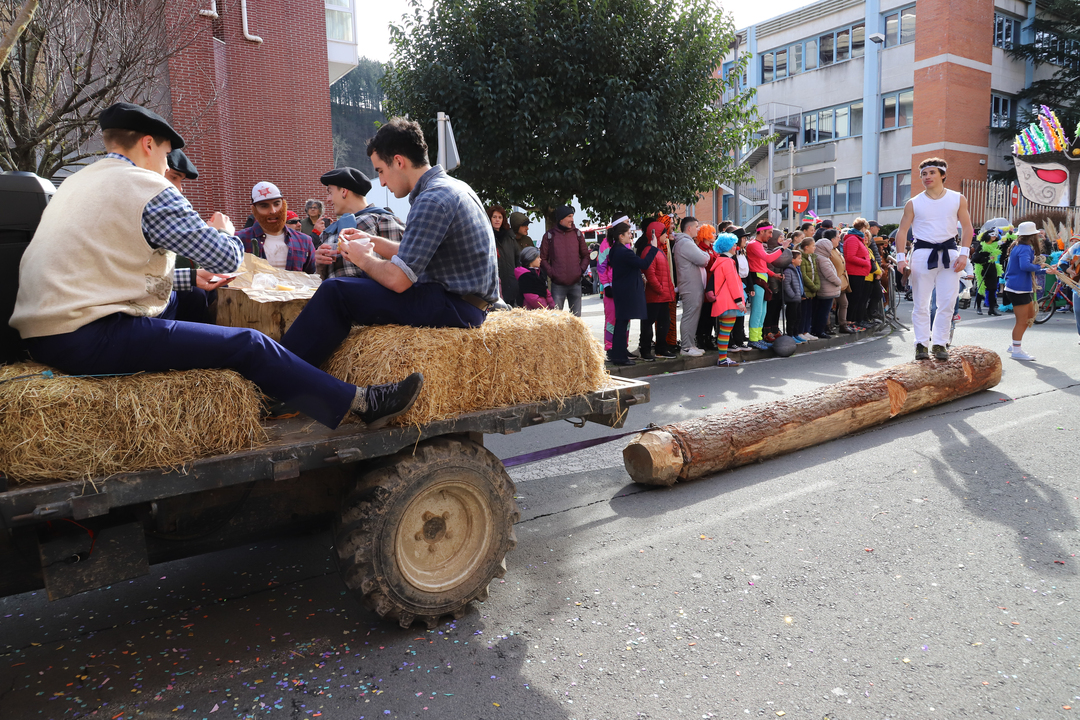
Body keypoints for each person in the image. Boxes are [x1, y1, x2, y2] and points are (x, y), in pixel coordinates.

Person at [8, 101, 421, 430]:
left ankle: (225, 384)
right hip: (86, 337)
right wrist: (223, 231)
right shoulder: (145, 186)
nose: (167, 167)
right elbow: (226, 256)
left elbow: (105, 269)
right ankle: (359, 403)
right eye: (166, 155)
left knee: (189, 298)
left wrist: (188, 277)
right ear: (148, 144)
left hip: (45, 334)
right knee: (248, 343)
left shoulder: (78, 182)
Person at [280, 117, 499, 370]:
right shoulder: (454, 187)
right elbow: (416, 254)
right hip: (468, 304)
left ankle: (282, 371)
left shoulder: (432, 199)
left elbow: (398, 279)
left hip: (455, 306)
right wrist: (371, 241)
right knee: (353, 285)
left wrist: (362, 258)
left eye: (381, 171)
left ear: (398, 161)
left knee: (336, 291)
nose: (382, 182)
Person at [895, 157, 975, 361]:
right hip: (922, 253)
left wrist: (964, 254)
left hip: (950, 253)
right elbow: (902, 231)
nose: (927, 177)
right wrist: (901, 259)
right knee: (921, 303)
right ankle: (921, 344)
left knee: (947, 302)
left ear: (943, 175)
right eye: (923, 174)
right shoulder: (913, 203)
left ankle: (940, 343)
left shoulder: (958, 198)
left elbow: (967, 228)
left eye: (931, 173)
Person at [315, 167, 405, 279]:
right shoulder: (329, 232)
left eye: (330, 192)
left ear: (344, 191)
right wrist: (319, 265)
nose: (328, 199)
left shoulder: (382, 220)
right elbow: (322, 279)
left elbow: (408, 266)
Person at [1002, 222, 1060, 361]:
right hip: (1018, 288)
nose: (1039, 237)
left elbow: (1025, 267)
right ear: (1032, 235)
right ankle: (1016, 350)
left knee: (1029, 316)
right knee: (1023, 321)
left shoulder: (1018, 246)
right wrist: (1040, 267)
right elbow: (1025, 266)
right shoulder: (1025, 247)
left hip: (1018, 287)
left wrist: (1044, 270)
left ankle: (1014, 345)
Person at [607, 221, 659, 366]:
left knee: (621, 323)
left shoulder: (615, 250)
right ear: (621, 236)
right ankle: (620, 357)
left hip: (621, 289)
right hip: (626, 291)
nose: (631, 236)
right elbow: (644, 264)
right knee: (622, 323)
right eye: (629, 233)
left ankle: (619, 354)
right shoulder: (624, 252)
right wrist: (653, 248)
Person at [236, 182, 317, 272]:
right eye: (264, 206)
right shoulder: (238, 241)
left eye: (277, 204)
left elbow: (311, 276)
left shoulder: (304, 241)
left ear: (284, 204)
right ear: (254, 210)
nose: (273, 211)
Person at [745, 220, 790, 349]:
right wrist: (783, 248)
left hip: (762, 279)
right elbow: (768, 259)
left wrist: (773, 275)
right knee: (757, 311)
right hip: (757, 280)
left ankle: (758, 338)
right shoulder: (754, 244)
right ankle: (753, 339)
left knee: (762, 312)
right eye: (769, 232)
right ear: (762, 232)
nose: (771, 235)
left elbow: (762, 265)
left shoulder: (758, 244)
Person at [539, 205, 589, 316]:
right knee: (556, 320)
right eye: (569, 216)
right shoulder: (549, 236)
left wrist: (580, 271)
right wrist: (553, 274)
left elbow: (586, 255)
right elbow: (543, 259)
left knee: (576, 321)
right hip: (558, 285)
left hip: (575, 283)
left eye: (572, 216)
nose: (572, 219)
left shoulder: (577, 234)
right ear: (561, 219)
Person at [638, 221, 677, 360]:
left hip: (663, 295)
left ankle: (661, 348)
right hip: (654, 296)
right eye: (664, 233)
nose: (666, 235)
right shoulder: (649, 251)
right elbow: (650, 273)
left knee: (664, 323)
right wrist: (660, 289)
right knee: (648, 324)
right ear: (657, 234)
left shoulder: (659, 250)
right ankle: (646, 351)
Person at [671, 216, 709, 357]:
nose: (698, 229)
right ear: (689, 228)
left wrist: (704, 255)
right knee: (689, 315)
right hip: (689, 285)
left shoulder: (687, 242)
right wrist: (705, 255)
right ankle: (686, 347)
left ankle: (691, 345)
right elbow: (703, 259)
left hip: (692, 285)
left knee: (693, 315)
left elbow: (703, 256)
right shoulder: (685, 243)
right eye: (696, 226)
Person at [709, 232, 747, 367]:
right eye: (734, 244)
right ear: (729, 246)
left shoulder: (720, 261)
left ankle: (723, 358)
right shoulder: (728, 262)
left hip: (722, 301)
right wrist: (739, 302)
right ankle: (723, 359)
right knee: (726, 331)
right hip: (729, 302)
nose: (736, 247)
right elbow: (733, 283)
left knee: (723, 331)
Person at [597, 215, 630, 355]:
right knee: (612, 319)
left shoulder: (626, 242)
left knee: (626, 319)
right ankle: (610, 348)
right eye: (627, 222)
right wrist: (606, 286)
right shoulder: (606, 244)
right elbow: (601, 267)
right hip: (611, 287)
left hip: (624, 287)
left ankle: (623, 347)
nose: (629, 224)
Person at [489, 204, 521, 306]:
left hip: (511, 282)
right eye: (494, 217)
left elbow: (518, 259)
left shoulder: (510, 237)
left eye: (500, 217)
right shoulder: (487, 237)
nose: (497, 220)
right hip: (494, 285)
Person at [843, 219, 872, 327]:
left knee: (857, 298)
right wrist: (866, 262)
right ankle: (849, 321)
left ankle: (853, 321)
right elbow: (850, 257)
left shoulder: (857, 239)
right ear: (863, 227)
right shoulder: (853, 239)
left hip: (859, 272)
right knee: (853, 298)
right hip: (854, 272)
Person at [694, 223, 719, 350]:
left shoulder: (712, 248)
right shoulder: (700, 248)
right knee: (703, 314)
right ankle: (701, 338)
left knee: (710, 314)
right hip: (704, 283)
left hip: (712, 284)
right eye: (712, 233)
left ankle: (708, 337)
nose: (715, 235)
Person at [813, 232, 842, 338]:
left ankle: (818, 330)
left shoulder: (819, 257)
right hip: (827, 289)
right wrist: (839, 282)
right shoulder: (823, 259)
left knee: (821, 311)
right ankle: (820, 331)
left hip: (824, 289)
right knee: (823, 312)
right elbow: (829, 274)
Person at [1055, 236, 1080, 342]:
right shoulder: (1077, 246)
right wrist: (1068, 270)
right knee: (1078, 311)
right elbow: (1062, 261)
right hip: (1077, 286)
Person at [798, 237, 819, 340]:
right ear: (806, 247)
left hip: (811, 290)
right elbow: (804, 275)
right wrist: (813, 286)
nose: (815, 248)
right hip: (805, 289)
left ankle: (806, 331)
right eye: (813, 246)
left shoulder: (812, 257)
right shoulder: (802, 258)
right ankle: (801, 331)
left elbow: (815, 273)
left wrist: (817, 285)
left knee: (808, 312)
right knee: (803, 312)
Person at [782, 250, 806, 343]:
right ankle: (790, 335)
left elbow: (799, 283)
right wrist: (793, 294)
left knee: (798, 317)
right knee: (792, 318)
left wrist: (801, 294)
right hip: (792, 299)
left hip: (797, 298)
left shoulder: (797, 270)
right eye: (799, 258)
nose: (801, 260)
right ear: (792, 260)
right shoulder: (788, 271)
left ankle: (795, 334)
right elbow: (786, 284)